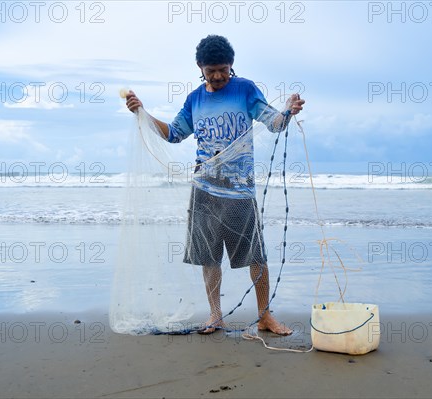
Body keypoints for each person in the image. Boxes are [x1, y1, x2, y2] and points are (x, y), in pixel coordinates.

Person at [125, 35, 304, 335]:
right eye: (212, 71)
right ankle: (215, 315)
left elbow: (273, 122)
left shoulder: (244, 90)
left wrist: (287, 110)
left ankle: (265, 316)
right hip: (204, 191)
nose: (219, 75)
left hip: (240, 192)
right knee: (209, 258)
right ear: (200, 68)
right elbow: (173, 134)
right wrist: (142, 114)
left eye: (224, 69)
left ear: (231, 65)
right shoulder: (195, 99)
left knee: (256, 256)